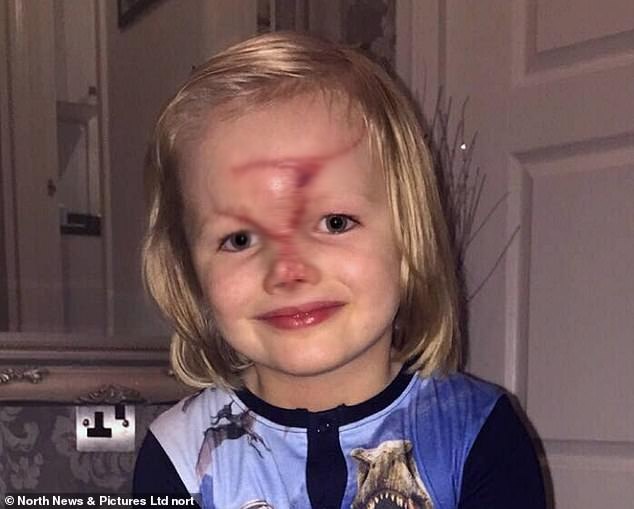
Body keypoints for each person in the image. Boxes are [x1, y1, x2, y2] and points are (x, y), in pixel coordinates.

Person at [133, 31, 546, 509]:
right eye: (240, 239)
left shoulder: (478, 433)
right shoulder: (178, 456)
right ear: (189, 272)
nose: (288, 270)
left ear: (408, 239)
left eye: (334, 222)